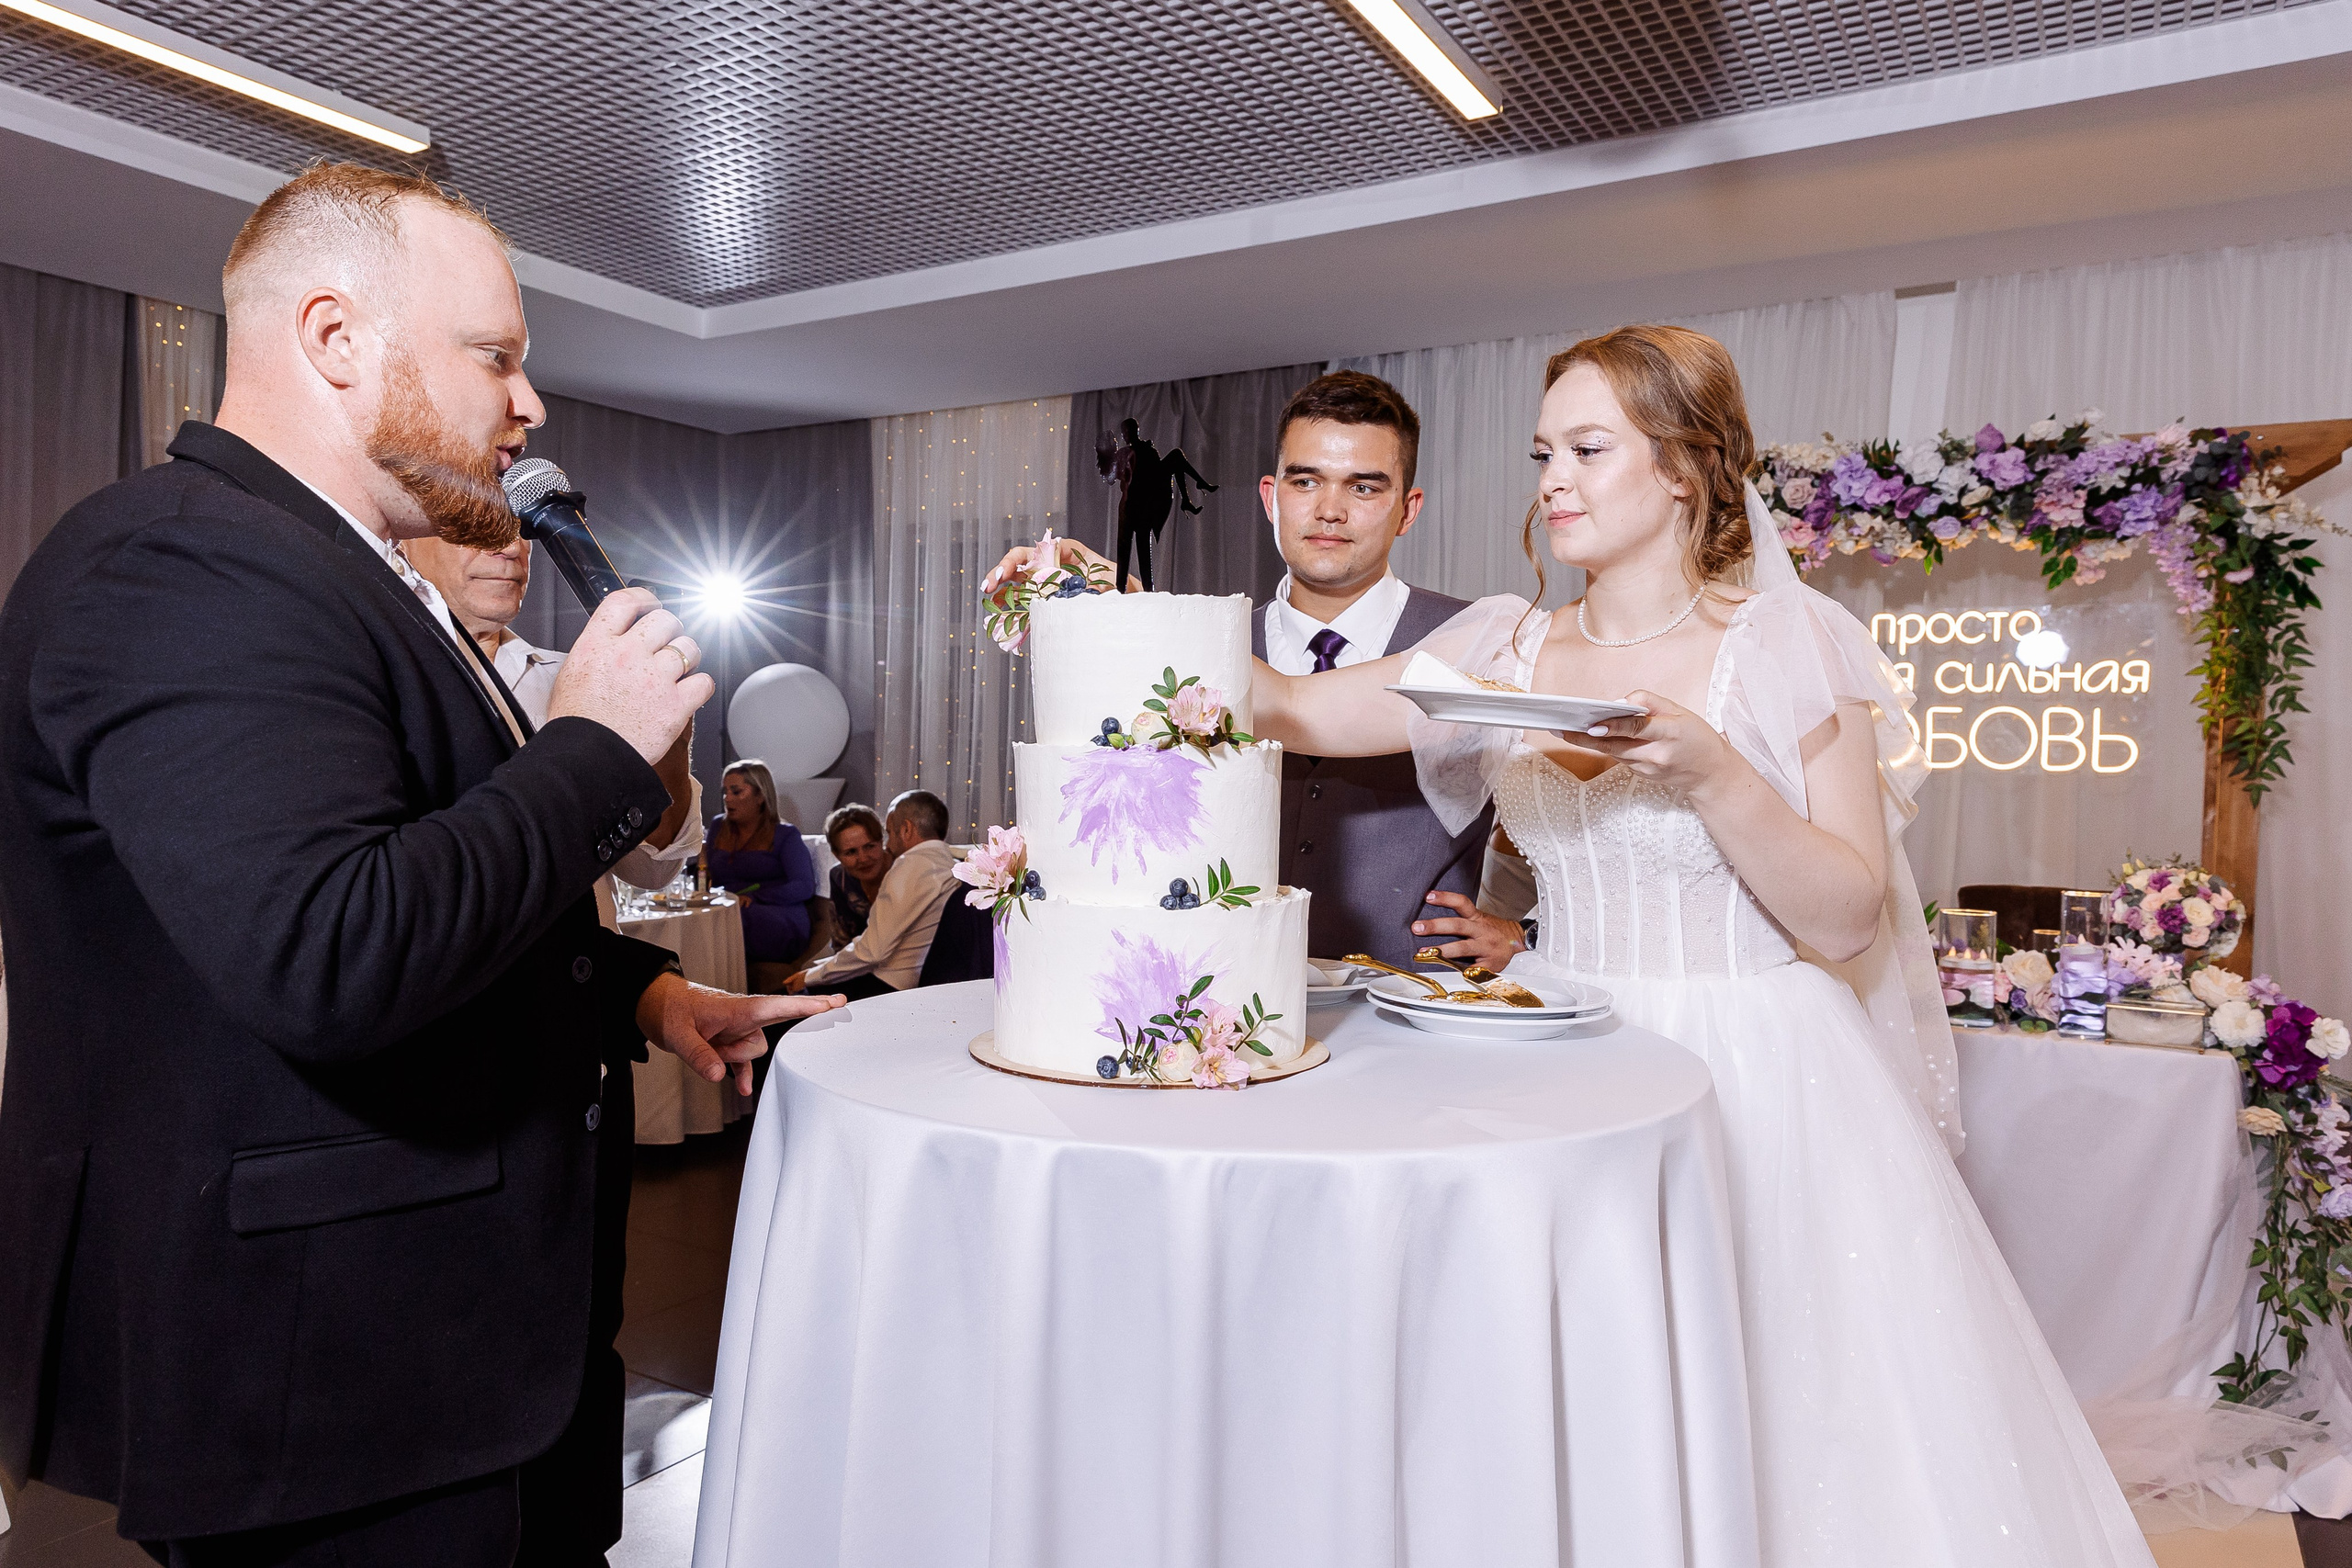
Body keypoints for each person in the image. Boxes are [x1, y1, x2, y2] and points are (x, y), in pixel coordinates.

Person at [993, 326, 2154, 1564]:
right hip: (1552, 1044)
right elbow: (1297, 704)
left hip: (1748, 1063)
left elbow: (1844, 914)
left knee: (1771, 1406)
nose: (1551, 476)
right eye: (1545, 448)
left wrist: (1712, 769)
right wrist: (1107, 607)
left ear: (1684, 469)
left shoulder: (1786, 643)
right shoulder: (1509, 641)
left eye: (1589, 447)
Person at [0, 162, 844, 1565]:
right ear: (335, 341)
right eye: (497, 357)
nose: (532, 405)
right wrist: (593, 747)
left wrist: (634, 995)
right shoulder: (182, 567)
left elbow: (424, 880)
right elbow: (329, 951)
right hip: (325, 1370)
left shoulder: (331, 571)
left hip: (463, 1345)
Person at [1250, 370, 1494, 966]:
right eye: (1305, 480)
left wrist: (1527, 932)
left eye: (1363, 488)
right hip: (1228, 1006)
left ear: (1408, 509)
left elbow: (1570, 818)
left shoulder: (1480, 642)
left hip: (1417, 1009)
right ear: (1270, 496)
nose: (1329, 509)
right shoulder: (1218, 644)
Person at [404, 530, 705, 922]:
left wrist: (673, 748)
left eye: (521, 529)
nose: (512, 547)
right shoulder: (371, 681)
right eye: (477, 525)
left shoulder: (587, 678)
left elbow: (652, 870)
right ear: (403, 538)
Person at [785, 789, 958, 1001]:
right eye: (850, 852)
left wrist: (811, 977)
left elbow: (872, 952)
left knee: (785, 1006)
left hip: (889, 985)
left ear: (905, 830)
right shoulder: (949, 863)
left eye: (890, 833)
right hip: (879, 972)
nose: (889, 844)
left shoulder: (908, 865)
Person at [705, 760, 818, 966]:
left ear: (760, 796)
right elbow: (710, 876)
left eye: (736, 792)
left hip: (777, 912)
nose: (727, 798)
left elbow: (803, 886)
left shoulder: (785, 834)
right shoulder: (718, 827)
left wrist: (755, 897)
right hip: (731, 907)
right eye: (725, 791)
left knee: (737, 920)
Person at [822, 802, 893, 942]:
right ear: (836, 855)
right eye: (851, 852)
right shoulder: (839, 878)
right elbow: (842, 941)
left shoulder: (903, 867)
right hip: (860, 959)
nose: (863, 859)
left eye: (870, 846)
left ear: (881, 842)